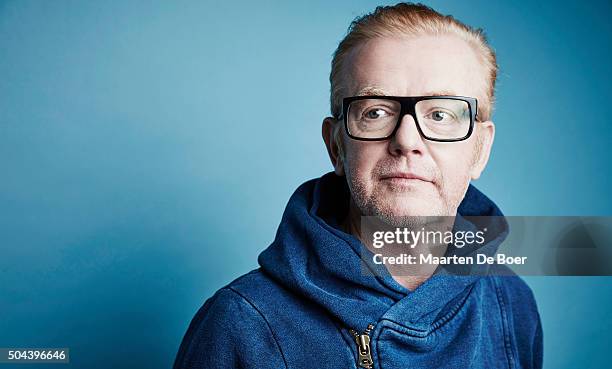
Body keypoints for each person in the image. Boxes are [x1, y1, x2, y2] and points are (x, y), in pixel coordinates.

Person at [173, 3, 542, 368]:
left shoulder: (511, 303)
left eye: (441, 114)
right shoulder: (241, 325)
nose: (407, 140)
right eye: (375, 111)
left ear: (480, 150)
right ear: (336, 146)